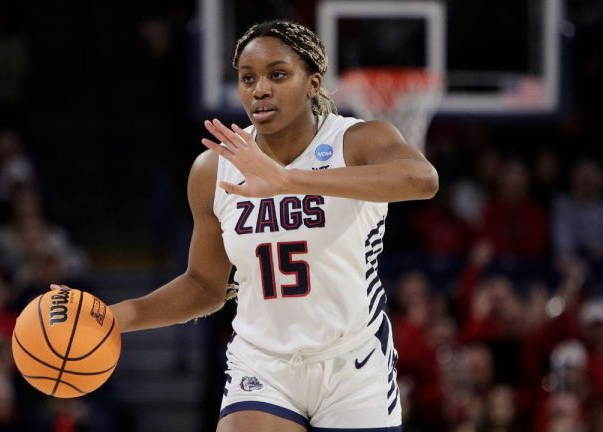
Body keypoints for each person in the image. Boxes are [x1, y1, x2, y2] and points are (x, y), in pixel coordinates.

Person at [54, 19, 438, 431]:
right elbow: (205, 285)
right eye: (247, 78)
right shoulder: (213, 169)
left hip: (354, 362)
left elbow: (423, 180)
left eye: (278, 75)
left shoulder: (358, 141)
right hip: (263, 364)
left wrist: (288, 180)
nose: (260, 89)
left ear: (312, 83)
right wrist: (118, 317)